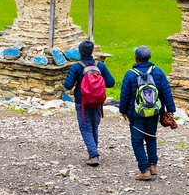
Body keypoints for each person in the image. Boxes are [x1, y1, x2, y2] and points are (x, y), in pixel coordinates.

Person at [118, 46, 176, 181]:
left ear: (136, 58)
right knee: (151, 137)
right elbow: (166, 92)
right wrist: (170, 110)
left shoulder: (130, 74)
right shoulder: (158, 72)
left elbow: (125, 95)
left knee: (137, 141)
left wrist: (123, 111)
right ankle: (153, 165)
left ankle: (145, 170)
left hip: (136, 114)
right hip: (154, 113)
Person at [63, 40, 115, 167]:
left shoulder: (76, 67)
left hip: (82, 101)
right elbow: (111, 82)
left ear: (80, 52)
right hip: (97, 101)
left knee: (85, 127)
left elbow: (68, 85)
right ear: (92, 52)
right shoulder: (100, 66)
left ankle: (93, 155)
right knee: (94, 126)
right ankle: (93, 151)